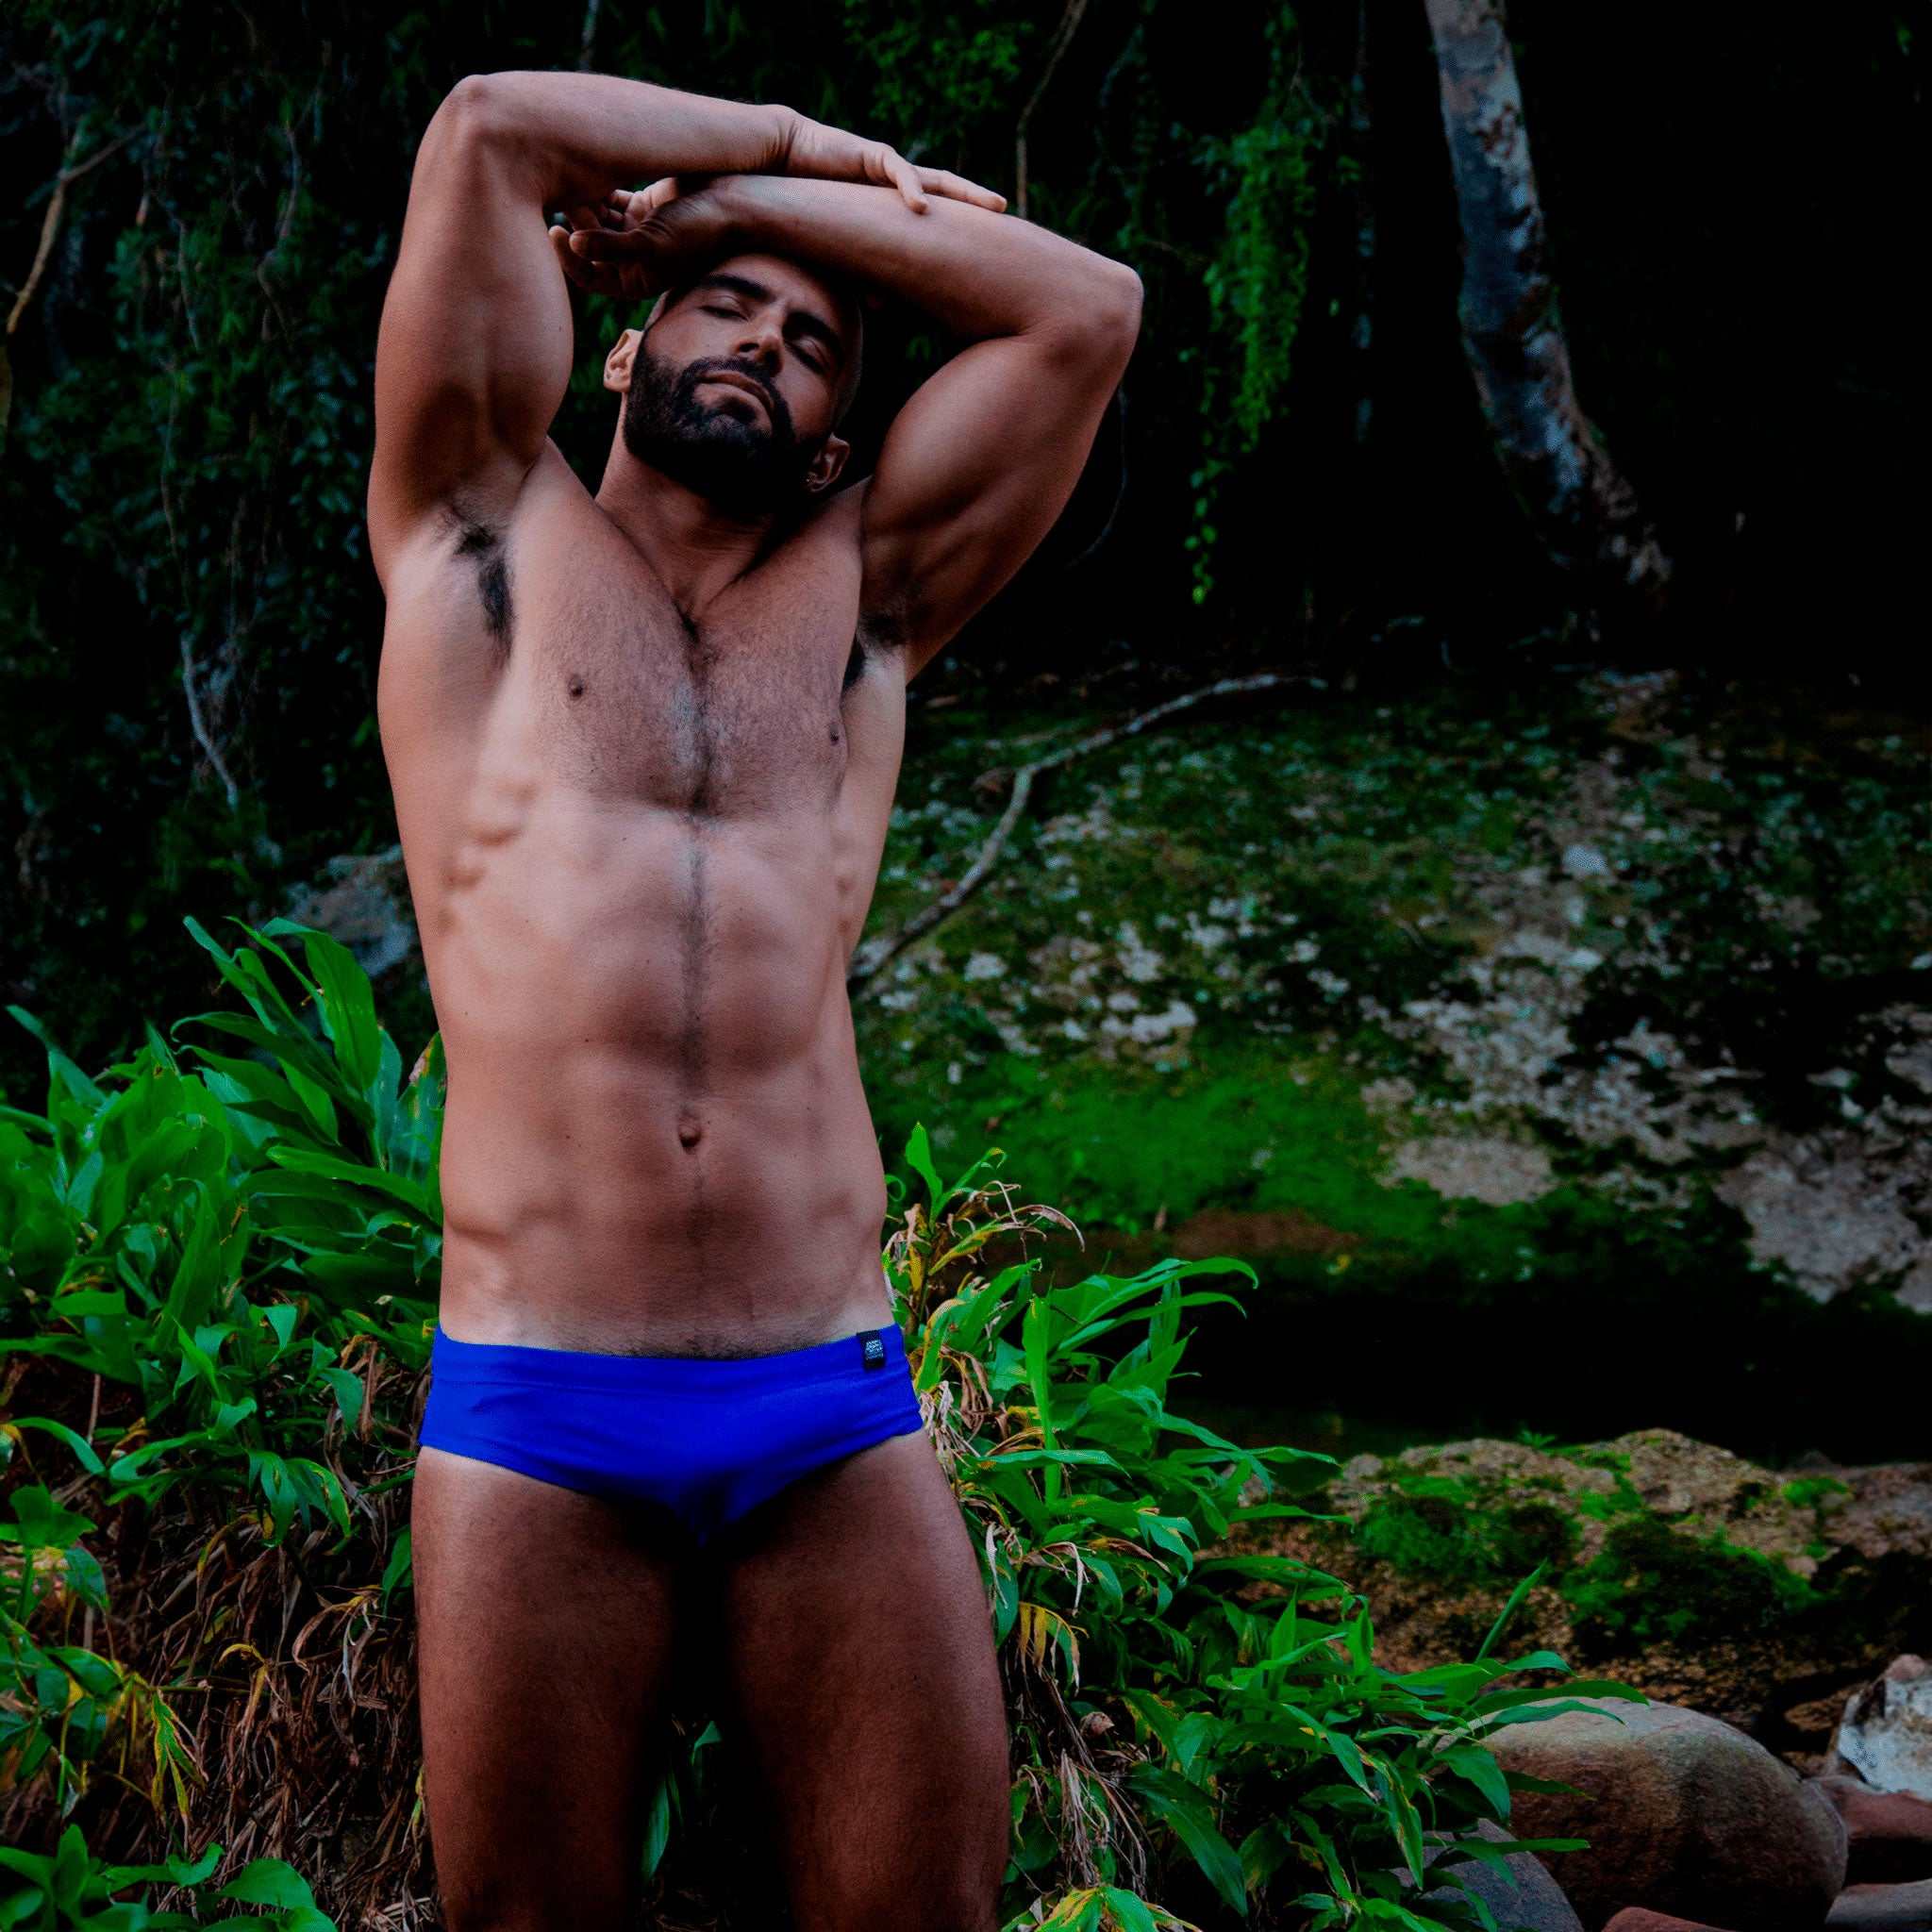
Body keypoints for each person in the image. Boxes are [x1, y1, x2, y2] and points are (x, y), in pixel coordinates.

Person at [365, 65, 1141, 1932]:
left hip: (825, 1399)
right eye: (723, 310)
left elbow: (1084, 308)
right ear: (621, 349)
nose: (766, 349)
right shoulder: (473, 528)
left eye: (812, 349)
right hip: (541, 1402)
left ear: (828, 440)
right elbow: (488, 127)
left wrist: (722, 220)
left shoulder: (868, 599)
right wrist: (795, 154)